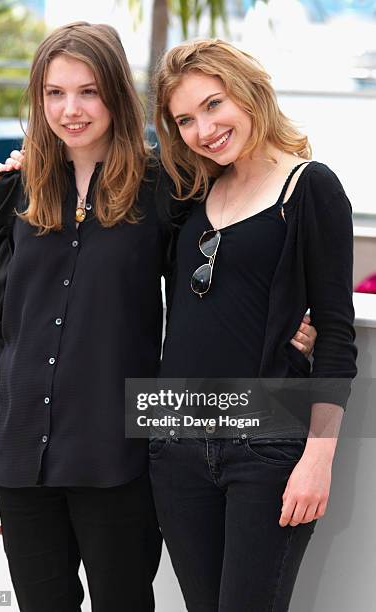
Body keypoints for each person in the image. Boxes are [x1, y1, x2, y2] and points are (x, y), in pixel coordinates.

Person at [0, 26, 317, 612]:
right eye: (54, 93)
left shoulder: (166, 190)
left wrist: (291, 314)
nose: (71, 109)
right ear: (37, 100)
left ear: (116, 94)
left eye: (88, 91)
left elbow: (230, 258)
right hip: (19, 460)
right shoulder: (16, 191)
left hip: (121, 456)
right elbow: (2, 328)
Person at [146, 39, 357, 612]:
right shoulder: (188, 191)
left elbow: (336, 333)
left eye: (214, 105)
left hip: (266, 446)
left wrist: (318, 458)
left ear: (249, 93)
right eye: (184, 119)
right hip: (176, 440)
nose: (203, 129)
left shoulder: (310, 188)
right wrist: (19, 171)